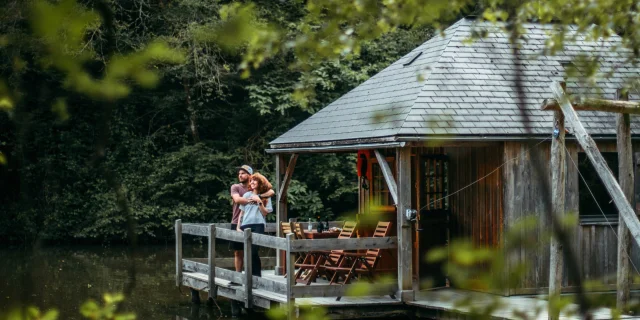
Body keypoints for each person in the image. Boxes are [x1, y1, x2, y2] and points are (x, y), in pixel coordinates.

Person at [230, 165, 274, 274]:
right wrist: (238, 226)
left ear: (250, 176)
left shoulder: (263, 194)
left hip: (258, 224)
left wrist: (259, 198)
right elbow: (238, 201)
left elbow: (271, 193)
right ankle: (239, 276)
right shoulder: (237, 188)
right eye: (239, 173)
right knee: (239, 252)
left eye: (243, 173)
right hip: (240, 223)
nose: (240, 175)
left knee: (253, 251)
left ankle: (256, 276)